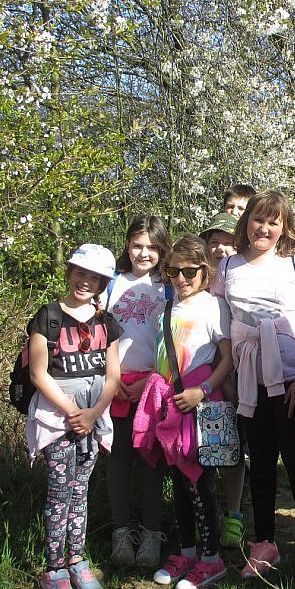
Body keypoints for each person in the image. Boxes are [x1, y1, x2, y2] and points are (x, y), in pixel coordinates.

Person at [213, 190, 295, 578]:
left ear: (284, 228)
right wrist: (226, 376)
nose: (264, 228)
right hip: (248, 378)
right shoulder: (228, 266)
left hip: (290, 376)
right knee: (261, 460)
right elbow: (221, 324)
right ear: (246, 221)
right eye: (258, 219)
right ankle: (265, 543)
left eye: (274, 222)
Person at [26, 244, 122, 589]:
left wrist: (93, 414)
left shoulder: (106, 322)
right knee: (58, 492)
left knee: (80, 491)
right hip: (56, 418)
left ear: (102, 284)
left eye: (94, 277)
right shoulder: (48, 316)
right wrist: (72, 412)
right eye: (80, 273)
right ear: (69, 273)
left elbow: (113, 375)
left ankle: (77, 560)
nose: (85, 281)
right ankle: (54, 568)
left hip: (93, 417)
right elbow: (38, 373)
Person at [149, 235, 234, 589]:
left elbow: (228, 358)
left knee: (200, 482)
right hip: (170, 407)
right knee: (179, 483)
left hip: (200, 406)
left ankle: (211, 559)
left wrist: (205, 390)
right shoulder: (166, 308)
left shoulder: (213, 307)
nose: (181, 279)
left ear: (205, 271)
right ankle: (186, 552)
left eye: (189, 271)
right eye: (173, 271)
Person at [103, 216, 171, 569]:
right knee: (117, 460)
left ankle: (151, 533)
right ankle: (120, 533)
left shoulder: (168, 286)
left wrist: (151, 380)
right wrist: (112, 380)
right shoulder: (111, 283)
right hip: (113, 384)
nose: (143, 253)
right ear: (127, 245)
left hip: (152, 386)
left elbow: (173, 340)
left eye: (152, 247)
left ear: (162, 250)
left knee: (150, 460)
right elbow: (99, 334)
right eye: (137, 245)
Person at [199, 210, 246, 548]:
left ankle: (235, 514)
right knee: (204, 448)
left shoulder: (240, 280)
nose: (220, 249)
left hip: (239, 376)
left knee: (235, 450)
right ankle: (205, 515)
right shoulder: (193, 280)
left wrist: (229, 380)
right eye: (214, 242)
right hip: (203, 380)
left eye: (228, 243)